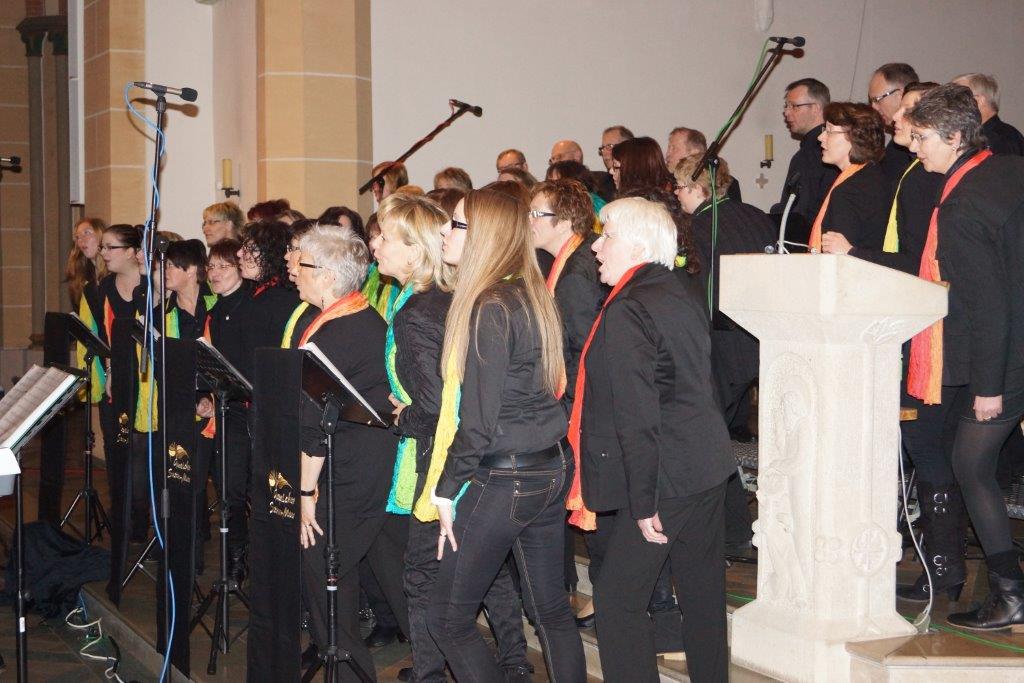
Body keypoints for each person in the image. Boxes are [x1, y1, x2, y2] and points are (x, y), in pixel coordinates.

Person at [420, 188, 586, 682]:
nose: (444, 231)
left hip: (509, 476)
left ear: (485, 236)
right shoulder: (527, 291)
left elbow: (478, 421)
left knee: (447, 619)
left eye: (456, 224)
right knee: (550, 611)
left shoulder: (492, 303)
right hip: (548, 463)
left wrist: (445, 490)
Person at [578, 197, 734, 682]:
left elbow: (638, 413)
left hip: (666, 475)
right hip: (706, 462)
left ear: (638, 246)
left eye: (607, 237)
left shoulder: (630, 307)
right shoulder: (677, 287)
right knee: (702, 594)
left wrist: (644, 501)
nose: (597, 247)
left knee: (616, 600)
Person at [906, 83, 1024, 630]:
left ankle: (1010, 593)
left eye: (922, 138)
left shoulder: (961, 206)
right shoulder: (1007, 169)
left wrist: (988, 388)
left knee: (971, 465)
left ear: (955, 137)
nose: (914, 149)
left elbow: (989, 306)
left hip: (1009, 352)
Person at [293, 223, 410, 677]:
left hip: (352, 467)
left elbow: (313, 423)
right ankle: (434, 657)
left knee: (321, 561)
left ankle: (348, 669)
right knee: (388, 565)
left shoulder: (334, 334)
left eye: (302, 263)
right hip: (372, 459)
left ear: (325, 275)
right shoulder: (360, 316)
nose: (293, 270)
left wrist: (306, 493)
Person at [529, 178, 606, 625]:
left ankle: (607, 592)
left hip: (582, 404)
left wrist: (567, 409)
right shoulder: (565, 261)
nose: (529, 221)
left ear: (563, 221)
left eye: (536, 214)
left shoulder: (576, 273)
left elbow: (581, 350)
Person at [812, 102, 889, 253]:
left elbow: (837, 258)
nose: (821, 137)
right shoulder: (873, 175)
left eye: (829, 131)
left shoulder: (850, 190)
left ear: (855, 136)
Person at [773, 78, 839, 238]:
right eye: (786, 106)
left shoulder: (815, 153)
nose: (786, 112)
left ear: (816, 108)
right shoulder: (815, 151)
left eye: (794, 106)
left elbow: (800, 214)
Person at [66, 217, 108, 403]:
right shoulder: (87, 281)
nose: (81, 240)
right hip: (99, 353)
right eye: (77, 237)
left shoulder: (111, 277)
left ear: (101, 235)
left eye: (87, 233)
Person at [868, 62, 920, 185]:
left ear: (901, 94)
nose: (874, 107)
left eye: (877, 100)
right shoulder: (896, 143)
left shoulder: (916, 149)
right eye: (871, 101)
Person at [952, 73, 1024, 156]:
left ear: (978, 101)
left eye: (957, 98)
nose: (950, 105)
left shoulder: (999, 141)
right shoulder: (1002, 135)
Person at [665, 127, 742, 201]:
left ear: (694, 153)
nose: (667, 154)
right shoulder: (665, 183)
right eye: (669, 148)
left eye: (674, 148)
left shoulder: (722, 183)